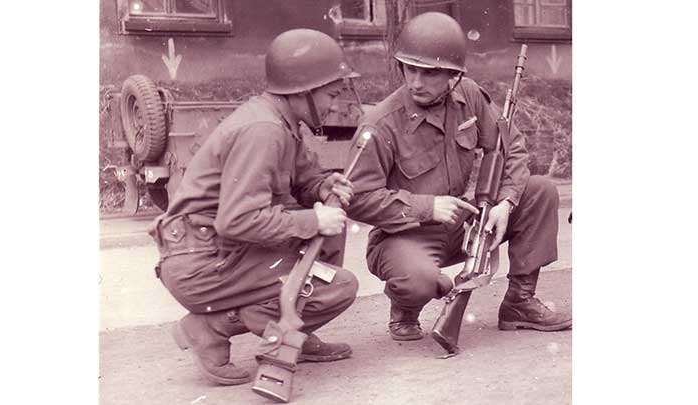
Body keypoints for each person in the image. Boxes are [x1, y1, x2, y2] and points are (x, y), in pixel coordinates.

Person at [148, 29, 360, 385]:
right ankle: (210, 327)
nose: (334, 104)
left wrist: (325, 186)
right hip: (203, 263)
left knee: (330, 229)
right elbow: (238, 220)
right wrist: (311, 219)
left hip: (223, 253)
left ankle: (290, 332)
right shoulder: (263, 130)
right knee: (337, 285)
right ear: (302, 91)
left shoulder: (283, 123)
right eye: (331, 93)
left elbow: (304, 180)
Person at [345, 12, 572, 342]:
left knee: (539, 191)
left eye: (430, 72)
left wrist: (505, 203)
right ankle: (405, 309)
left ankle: (519, 303)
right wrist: (428, 208)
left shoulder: (470, 97)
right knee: (418, 279)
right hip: (405, 235)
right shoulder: (381, 124)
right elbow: (356, 197)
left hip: (462, 224)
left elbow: (512, 147)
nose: (416, 81)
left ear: (453, 75)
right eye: (410, 68)